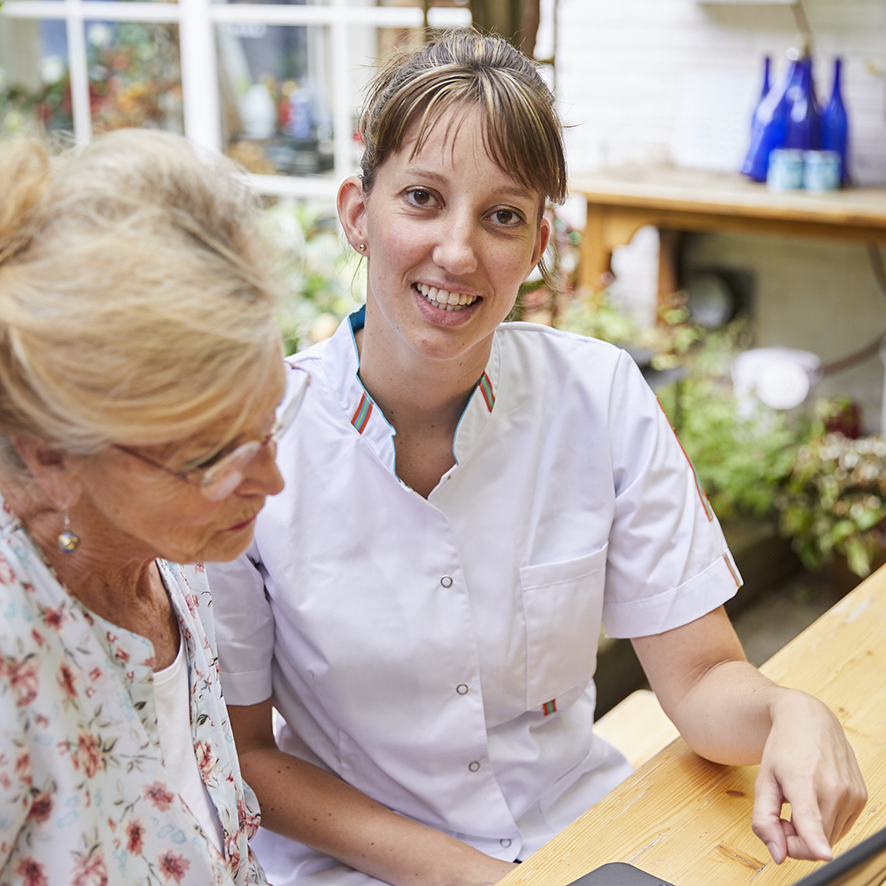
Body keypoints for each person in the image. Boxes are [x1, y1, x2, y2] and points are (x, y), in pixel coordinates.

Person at [205, 28, 867, 886]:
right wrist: (478, 878)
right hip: (355, 869)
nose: (458, 250)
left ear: (539, 243)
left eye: (502, 215)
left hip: (583, 840)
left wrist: (790, 711)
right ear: (356, 214)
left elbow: (701, 681)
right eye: (421, 198)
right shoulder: (258, 441)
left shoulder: (599, 396)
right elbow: (245, 752)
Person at [0, 128, 306, 885]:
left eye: (269, 423)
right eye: (217, 457)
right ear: (54, 456)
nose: (272, 481)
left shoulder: (172, 557)